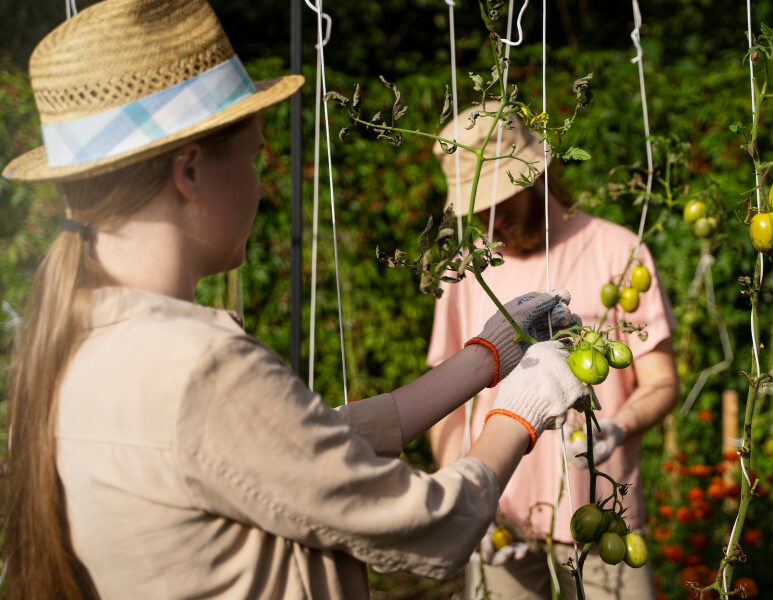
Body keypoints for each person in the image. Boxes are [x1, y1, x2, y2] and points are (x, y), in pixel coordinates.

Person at [0, 2, 591, 599]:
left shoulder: (82, 341)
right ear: (189, 172)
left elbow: (303, 452)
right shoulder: (199, 367)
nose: (261, 184)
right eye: (255, 156)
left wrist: (487, 356)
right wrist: (521, 410)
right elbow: (428, 523)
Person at [427, 103, 680, 599]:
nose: (491, 220)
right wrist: (460, 500)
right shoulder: (466, 269)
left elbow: (662, 382)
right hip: (497, 520)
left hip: (603, 522)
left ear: (534, 176)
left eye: (502, 203)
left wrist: (619, 427)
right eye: (478, 210)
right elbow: (444, 408)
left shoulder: (617, 251)